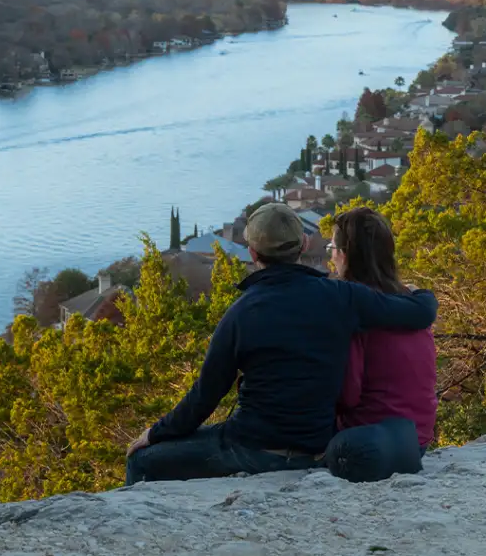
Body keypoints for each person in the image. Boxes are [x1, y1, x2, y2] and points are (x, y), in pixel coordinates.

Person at [124, 203, 438, 485]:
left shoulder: (242, 313)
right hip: (316, 446)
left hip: (252, 447)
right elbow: (418, 312)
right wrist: (420, 293)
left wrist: (156, 432)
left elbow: (205, 396)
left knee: (141, 461)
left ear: (253, 254)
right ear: (303, 244)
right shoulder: (342, 297)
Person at [332, 207, 437, 456]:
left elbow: (347, 395)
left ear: (345, 256)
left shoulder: (354, 312)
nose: (331, 258)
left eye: (332, 250)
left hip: (369, 439)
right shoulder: (410, 302)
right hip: (418, 437)